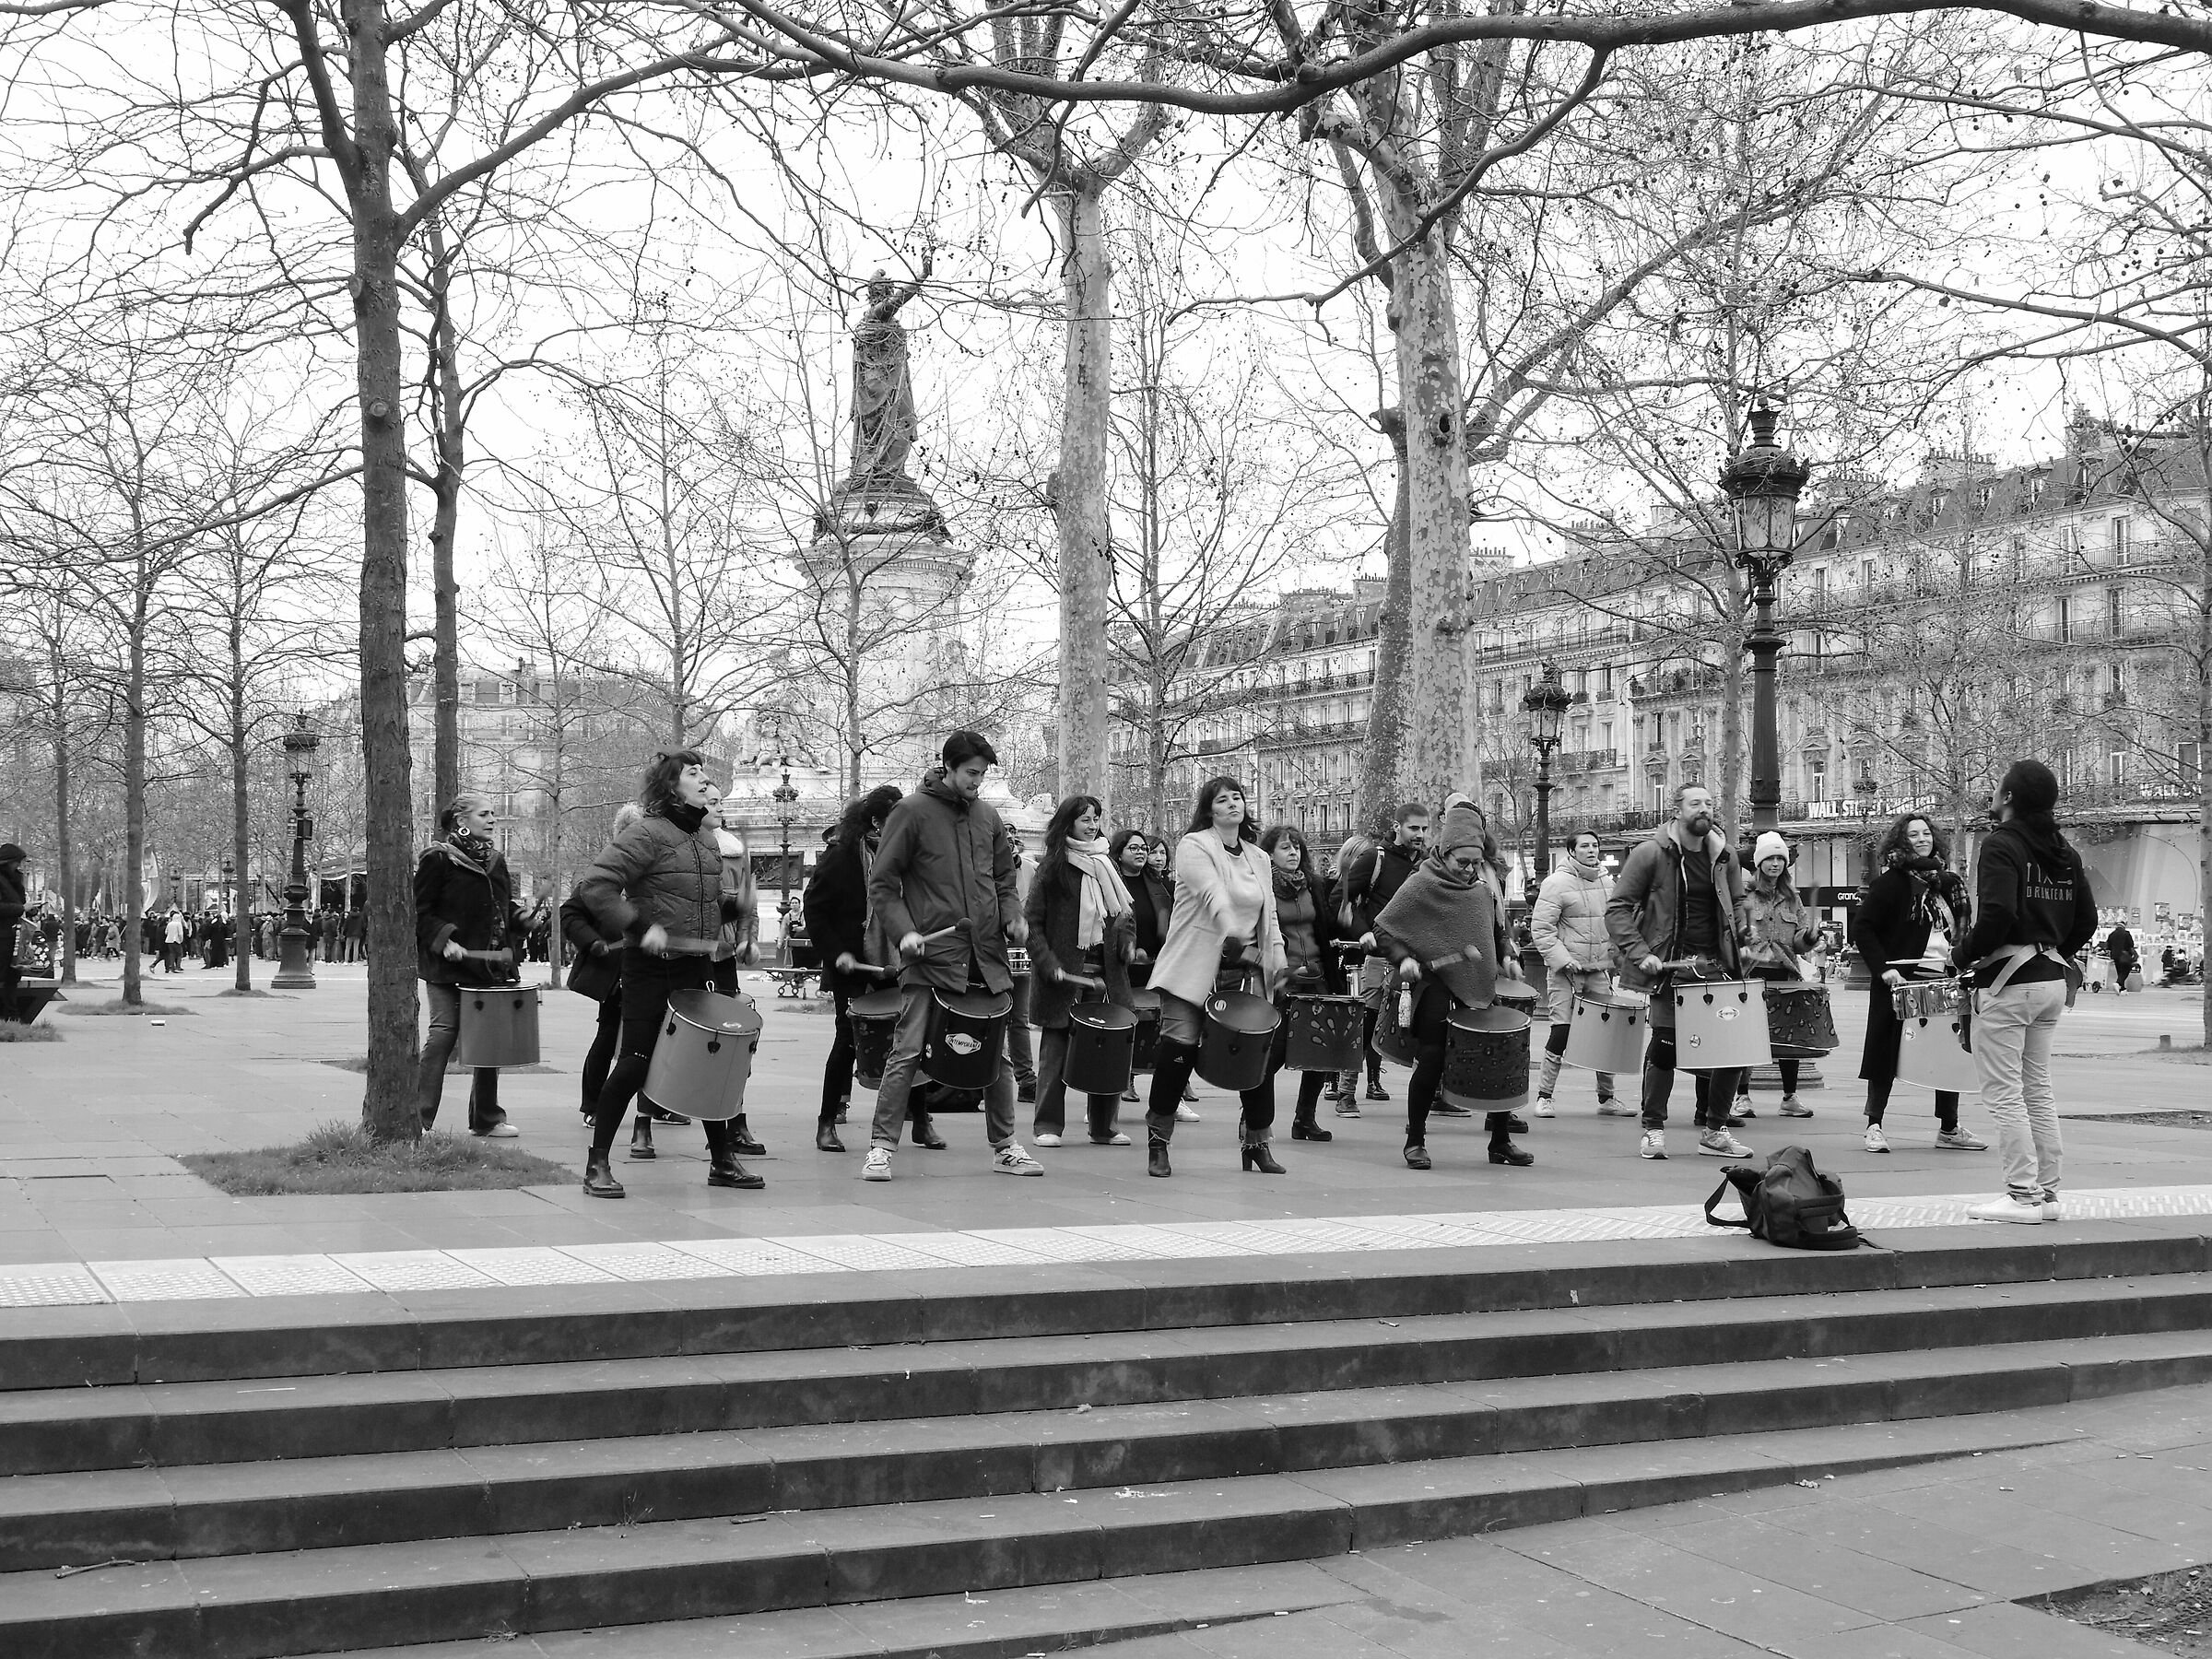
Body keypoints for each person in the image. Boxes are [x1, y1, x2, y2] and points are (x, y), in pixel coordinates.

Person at [574, 750, 763, 1198]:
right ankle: (597, 1163)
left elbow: (703, 906)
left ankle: (721, 1163)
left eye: (703, 772)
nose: (703, 779)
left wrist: (738, 907)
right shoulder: (646, 833)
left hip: (694, 966)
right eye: (691, 773)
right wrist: (640, 926)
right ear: (669, 787)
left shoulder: (705, 838)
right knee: (636, 1062)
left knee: (709, 1062)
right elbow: (594, 887)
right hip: (648, 969)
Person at [861, 731, 1042, 1182]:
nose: (977, 782)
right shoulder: (910, 812)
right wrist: (904, 932)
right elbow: (883, 884)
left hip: (985, 955)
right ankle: (881, 1148)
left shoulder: (988, 817)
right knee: (906, 1051)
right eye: (970, 773)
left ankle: (1005, 1146)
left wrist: (1013, 916)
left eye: (983, 774)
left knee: (997, 1057)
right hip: (933, 955)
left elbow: (1004, 879)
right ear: (948, 766)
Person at [1954, 759, 2098, 1224]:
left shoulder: (2001, 845)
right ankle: (2048, 1194)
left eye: (1998, 787)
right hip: (2052, 979)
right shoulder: (2064, 851)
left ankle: (2020, 1196)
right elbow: (2088, 919)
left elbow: (1995, 914)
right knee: (2037, 1087)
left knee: (2004, 1093)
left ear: (2010, 797)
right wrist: (2055, 949)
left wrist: (1964, 954)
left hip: (2009, 982)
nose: (1994, 793)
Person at [1139, 776, 1288, 1177]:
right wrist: (1230, 931)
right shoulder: (1194, 846)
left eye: (1237, 797)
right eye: (1222, 800)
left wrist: (1278, 960)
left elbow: (1268, 915)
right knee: (1179, 1050)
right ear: (1209, 810)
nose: (1232, 804)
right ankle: (1159, 1141)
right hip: (1193, 967)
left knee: (1256, 1058)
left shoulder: (1258, 856)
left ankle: (1257, 1144)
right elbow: (1211, 893)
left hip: (1246, 970)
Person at [1373, 803, 1531, 1169]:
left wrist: (1507, 955)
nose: (1470, 870)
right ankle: (1415, 1140)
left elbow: (1496, 932)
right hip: (1434, 984)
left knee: (1500, 1058)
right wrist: (1403, 958)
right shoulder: (1420, 884)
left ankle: (1500, 1141)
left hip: (1480, 985)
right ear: (1444, 854)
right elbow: (1385, 926)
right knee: (1431, 1059)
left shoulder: (1481, 890)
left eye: (1475, 863)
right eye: (1462, 862)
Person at [1606, 783, 1753, 1162]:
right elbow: (1618, 908)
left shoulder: (1725, 855)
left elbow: (1736, 901)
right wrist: (1640, 954)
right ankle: (1653, 1130)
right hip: (1672, 970)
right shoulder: (1651, 854)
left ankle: (1715, 1131)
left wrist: (1744, 932)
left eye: (1708, 803)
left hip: (1717, 968)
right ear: (1676, 810)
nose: (1704, 809)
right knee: (1665, 1051)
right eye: (1695, 803)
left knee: (1732, 1051)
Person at [1854, 811, 1984, 1155]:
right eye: (1913, 835)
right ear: (1902, 842)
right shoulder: (1891, 883)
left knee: (1948, 1052)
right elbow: (1863, 929)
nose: (1922, 839)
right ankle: (1874, 1125)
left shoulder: (1950, 884)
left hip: (1944, 976)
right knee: (1885, 1051)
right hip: (1900, 979)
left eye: (1926, 833)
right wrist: (1884, 970)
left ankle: (1949, 1127)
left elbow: (1961, 931)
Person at [1024, 794, 1137, 1147]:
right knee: (1055, 1056)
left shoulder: (1108, 865)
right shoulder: (1052, 868)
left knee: (1109, 1054)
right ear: (1068, 823)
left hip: (1107, 977)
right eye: (1086, 820)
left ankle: (1104, 1126)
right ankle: (1047, 1126)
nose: (1093, 826)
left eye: (1096, 819)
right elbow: (1032, 924)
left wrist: (1128, 942)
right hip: (1066, 978)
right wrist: (1049, 964)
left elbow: (1125, 916)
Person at [413, 794, 523, 1137]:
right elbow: (421, 910)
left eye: (493, 814)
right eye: (484, 814)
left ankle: (487, 1118)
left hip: (487, 968)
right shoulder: (438, 859)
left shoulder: (496, 860)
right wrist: (444, 940)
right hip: (446, 966)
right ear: (462, 822)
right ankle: (419, 1119)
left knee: (488, 1039)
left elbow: (503, 906)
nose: (492, 819)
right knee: (443, 1034)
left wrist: (522, 918)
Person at [805, 784, 905, 1153]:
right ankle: (827, 1122)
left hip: (897, 962)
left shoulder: (904, 857)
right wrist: (835, 954)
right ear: (876, 822)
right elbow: (814, 909)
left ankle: (920, 1119)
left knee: (909, 1040)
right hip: (853, 962)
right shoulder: (843, 856)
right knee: (847, 1040)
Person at [561, 805, 654, 1139]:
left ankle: (654, 1105)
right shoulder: (602, 874)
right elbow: (570, 914)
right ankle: (593, 1105)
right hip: (616, 973)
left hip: (650, 968)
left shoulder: (652, 874)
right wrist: (593, 943)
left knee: (652, 1042)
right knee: (608, 1036)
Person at [1258, 823, 1347, 1144]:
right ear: (1269, 854)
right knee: (1275, 1054)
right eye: (1285, 847)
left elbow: (1328, 926)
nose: (1293, 852)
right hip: (1283, 981)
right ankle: (1255, 1118)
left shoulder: (1314, 884)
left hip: (1319, 978)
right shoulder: (1261, 887)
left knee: (1319, 1052)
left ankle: (1304, 1120)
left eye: (1297, 847)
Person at [1341, 804, 1431, 1112]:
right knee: (1368, 1022)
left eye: (1424, 829)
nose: (1420, 835)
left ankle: (1433, 1092)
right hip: (1380, 956)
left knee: (1427, 1027)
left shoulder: (1429, 864)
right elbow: (1340, 899)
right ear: (1397, 827)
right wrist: (1362, 930)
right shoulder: (1374, 858)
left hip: (1417, 958)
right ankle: (1346, 1090)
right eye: (1413, 828)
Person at [1529, 830, 1625, 1117]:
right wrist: (1562, 959)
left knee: (1606, 1033)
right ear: (1572, 851)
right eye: (1585, 846)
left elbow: (1616, 922)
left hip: (1598, 970)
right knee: (1562, 1031)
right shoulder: (1556, 883)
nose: (1592, 850)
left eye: (1595, 845)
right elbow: (1542, 928)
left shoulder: (1607, 882)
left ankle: (1607, 1098)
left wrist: (1616, 956)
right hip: (1566, 973)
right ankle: (1545, 1096)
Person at [1732, 831, 1821, 1121]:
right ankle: (1742, 1096)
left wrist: (1809, 937)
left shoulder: (1791, 897)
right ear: (1759, 862)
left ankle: (1789, 1097)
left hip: (1785, 972)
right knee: (1746, 1038)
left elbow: (1798, 940)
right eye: (1769, 858)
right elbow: (1732, 931)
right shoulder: (1744, 894)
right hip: (1751, 972)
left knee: (1788, 1038)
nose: (1775, 864)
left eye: (1779, 859)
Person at [1006, 830, 1041, 1104]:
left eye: (1012, 835)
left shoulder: (1031, 870)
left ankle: (1026, 1079)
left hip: (1022, 954)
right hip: (989, 953)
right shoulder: (980, 868)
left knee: (1019, 1019)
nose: (1008, 839)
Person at [0, 843, 25, 1023]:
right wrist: (21, 908)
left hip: (14, 935)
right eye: (16, 862)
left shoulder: (14, 880)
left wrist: (27, 909)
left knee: (13, 975)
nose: (18, 866)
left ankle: (11, 1015)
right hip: (2, 935)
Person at [2105, 919, 2139, 993]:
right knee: (2125, 970)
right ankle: (2118, 983)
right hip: (2124, 956)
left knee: (2120, 972)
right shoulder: (2126, 934)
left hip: (2115, 956)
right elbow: (2131, 945)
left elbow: (2108, 946)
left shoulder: (2112, 934)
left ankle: (2122, 989)